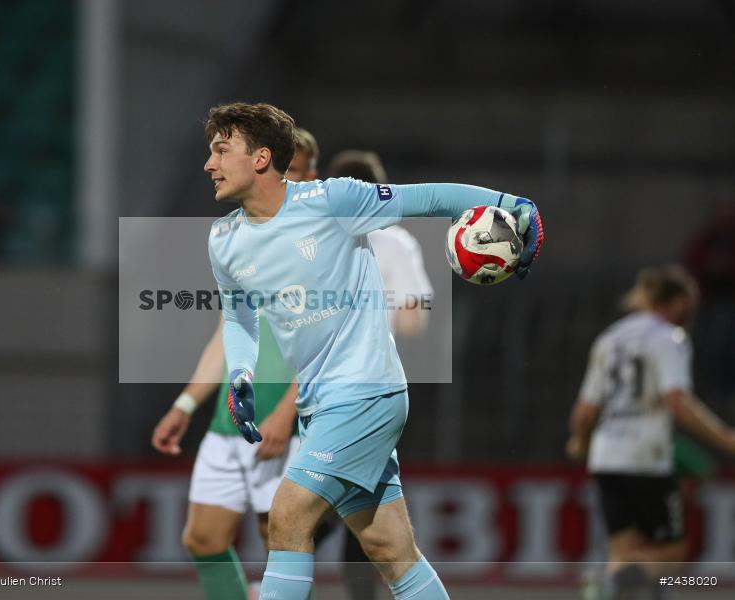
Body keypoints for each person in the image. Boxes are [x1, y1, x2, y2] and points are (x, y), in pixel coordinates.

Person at [204, 102, 543, 600]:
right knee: (391, 551)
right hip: (320, 407)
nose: (209, 164)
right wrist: (240, 374)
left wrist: (510, 201)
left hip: (366, 392)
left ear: (259, 159)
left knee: (288, 515)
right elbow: (238, 316)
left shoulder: (330, 201)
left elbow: (429, 198)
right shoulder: (224, 240)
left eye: (220, 150)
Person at [151, 128, 318, 600]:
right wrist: (185, 404)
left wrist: (288, 415)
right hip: (231, 424)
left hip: (281, 424)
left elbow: (324, 344)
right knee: (202, 539)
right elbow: (228, 335)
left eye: (296, 172)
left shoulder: (314, 249)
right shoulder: (236, 244)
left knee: (282, 543)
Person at [566, 265, 735, 599]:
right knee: (670, 556)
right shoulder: (668, 339)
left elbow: (585, 411)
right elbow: (677, 402)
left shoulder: (610, 338)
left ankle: (613, 584)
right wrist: (725, 438)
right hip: (645, 457)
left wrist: (582, 444)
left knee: (624, 552)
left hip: (606, 457)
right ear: (676, 303)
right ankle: (608, 583)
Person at [324, 149, 433, 600]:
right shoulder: (396, 242)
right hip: (371, 386)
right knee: (362, 513)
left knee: (301, 511)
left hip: (315, 388)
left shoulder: (309, 239)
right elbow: (412, 322)